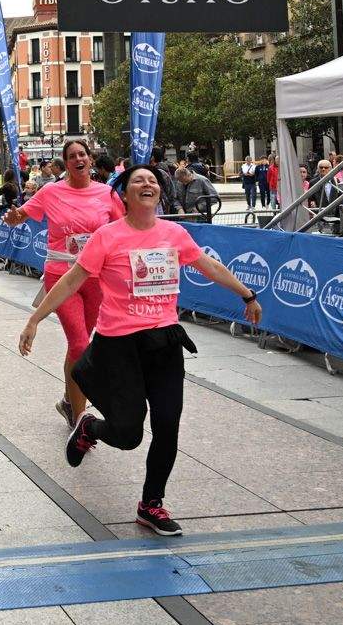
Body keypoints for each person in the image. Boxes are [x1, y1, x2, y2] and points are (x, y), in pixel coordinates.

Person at [18, 165, 263, 536]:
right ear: (125, 194)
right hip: (119, 346)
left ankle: (151, 505)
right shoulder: (108, 237)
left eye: (152, 181)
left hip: (164, 343)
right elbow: (72, 280)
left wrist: (247, 294)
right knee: (128, 434)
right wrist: (35, 319)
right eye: (138, 181)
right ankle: (90, 427)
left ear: (159, 193)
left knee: (167, 426)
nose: (147, 184)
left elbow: (208, 265)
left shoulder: (174, 234)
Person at [4, 139, 125, 428]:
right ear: (66, 163)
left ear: (90, 159)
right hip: (61, 274)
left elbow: (124, 229)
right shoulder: (51, 191)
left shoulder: (107, 193)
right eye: (71, 156)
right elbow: (19, 216)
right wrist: (11, 217)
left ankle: (70, 402)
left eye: (82, 154)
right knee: (80, 344)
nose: (78, 159)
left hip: (95, 276)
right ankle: (81, 419)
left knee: (79, 345)